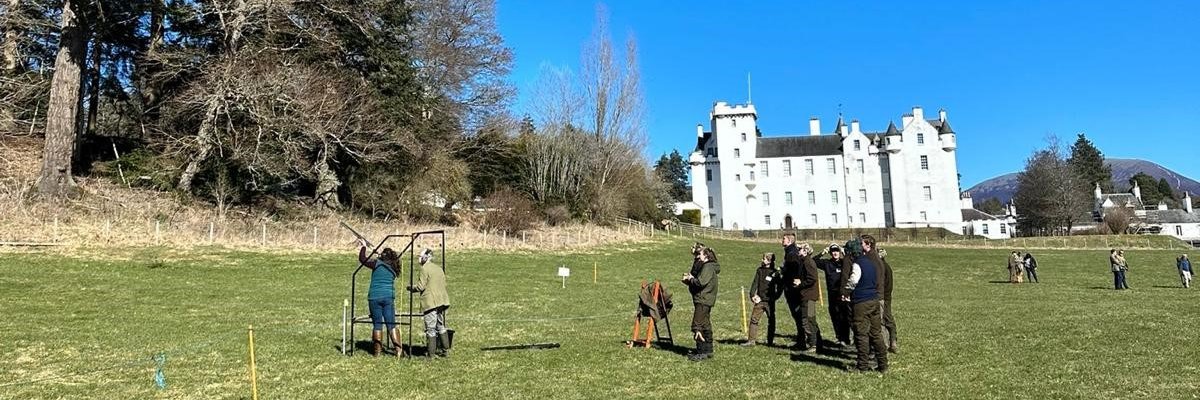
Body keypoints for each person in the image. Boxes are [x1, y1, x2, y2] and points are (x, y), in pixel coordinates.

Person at [840, 237, 888, 373]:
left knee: (861, 334)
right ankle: (883, 365)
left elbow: (853, 281)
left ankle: (862, 366)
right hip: (874, 300)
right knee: (876, 334)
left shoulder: (857, 264)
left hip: (861, 302)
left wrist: (845, 292)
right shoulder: (870, 263)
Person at [358, 240, 403, 357]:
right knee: (391, 324)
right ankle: (398, 350)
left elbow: (363, 259)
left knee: (377, 324)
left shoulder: (377, 264)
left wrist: (363, 246)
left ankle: (377, 352)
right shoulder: (394, 268)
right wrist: (377, 254)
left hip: (374, 297)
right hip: (388, 297)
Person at [407, 248, 451, 358]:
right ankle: (445, 349)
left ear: (425, 258)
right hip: (441, 300)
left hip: (431, 301)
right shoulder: (438, 268)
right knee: (440, 325)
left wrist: (410, 288)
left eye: (420, 256)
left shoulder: (424, 269)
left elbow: (420, 286)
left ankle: (431, 354)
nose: (419, 258)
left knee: (430, 328)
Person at [781, 234, 822, 352]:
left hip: (808, 295)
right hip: (806, 295)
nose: (798, 250)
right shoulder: (805, 261)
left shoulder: (808, 262)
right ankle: (815, 343)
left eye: (801, 249)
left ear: (805, 251)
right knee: (808, 319)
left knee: (808, 319)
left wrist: (800, 283)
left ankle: (813, 344)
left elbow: (812, 279)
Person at [683, 247, 720, 361]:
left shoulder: (708, 267)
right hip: (705, 299)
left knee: (697, 325)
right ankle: (708, 350)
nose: (698, 256)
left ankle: (701, 351)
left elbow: (701, 282)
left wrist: (690, 279)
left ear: (706, 256)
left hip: (703, 299)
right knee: (705, 324)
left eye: (701, 254)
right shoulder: (709, 267)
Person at [813, 244, 851, 349]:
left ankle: (845, 338)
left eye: (837, 251)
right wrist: (822, 252)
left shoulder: (845, 263)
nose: (835, 253)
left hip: (843, 294)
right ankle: (839, 337)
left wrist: (845, 253)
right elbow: (813, 261)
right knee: (835, 316)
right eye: (833, 251)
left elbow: (853, 261)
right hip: (832, 294)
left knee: (844, 316)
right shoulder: (827, 263)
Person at [742, 252, 780, 347]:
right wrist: (752, 295)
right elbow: (755, 283)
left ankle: (770, 341)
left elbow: (780, 286)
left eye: (764, 258)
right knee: (754, 320)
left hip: (770, 302)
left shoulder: (775, 273)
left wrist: (775, 296)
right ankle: (751, 340)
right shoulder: (759, 270)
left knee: (771, 321)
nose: (762, 260)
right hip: (759, 301)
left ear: (769, 261)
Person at [873, 241, 897, 354]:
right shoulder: (883, 267)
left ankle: (892, 342)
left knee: (886, 320)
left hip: (884, 298)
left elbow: (887, 285)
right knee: (883, 320)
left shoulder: (884, 268)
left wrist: (883, 297)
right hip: (883, 297)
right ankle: (889, 343)